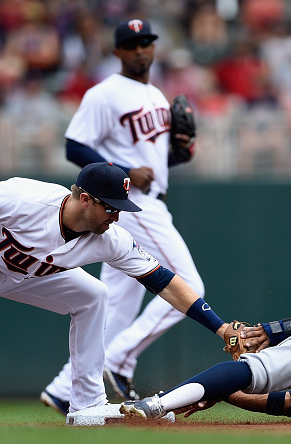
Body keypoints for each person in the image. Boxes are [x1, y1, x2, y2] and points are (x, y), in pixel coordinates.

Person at [0, 162, 228, 424]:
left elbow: (163, 280)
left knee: (94, 295)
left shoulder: (110, 237)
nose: (116, 217)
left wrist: (220, 328)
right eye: (110, 207)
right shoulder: (25, 199)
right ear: (85, 199)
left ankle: (86, 405)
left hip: (24, 273)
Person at [40, 18, 205, 414]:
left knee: (116, 304)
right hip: (134, 203)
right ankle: (118, 359)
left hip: (150, 196)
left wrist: (177, 153)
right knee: (189, 286)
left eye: (146, 41)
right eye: (131, 44)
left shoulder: (158, 97)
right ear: (117, 52)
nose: (141, 49)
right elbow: (74, 146)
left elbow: (155, 159)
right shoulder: (105, 93)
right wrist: (124, 171)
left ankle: (65, 388)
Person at [121, 302, 291, 425]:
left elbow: (279, 402)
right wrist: (218, 390)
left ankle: (158, 402)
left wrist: (281, 329)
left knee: (255, 370)